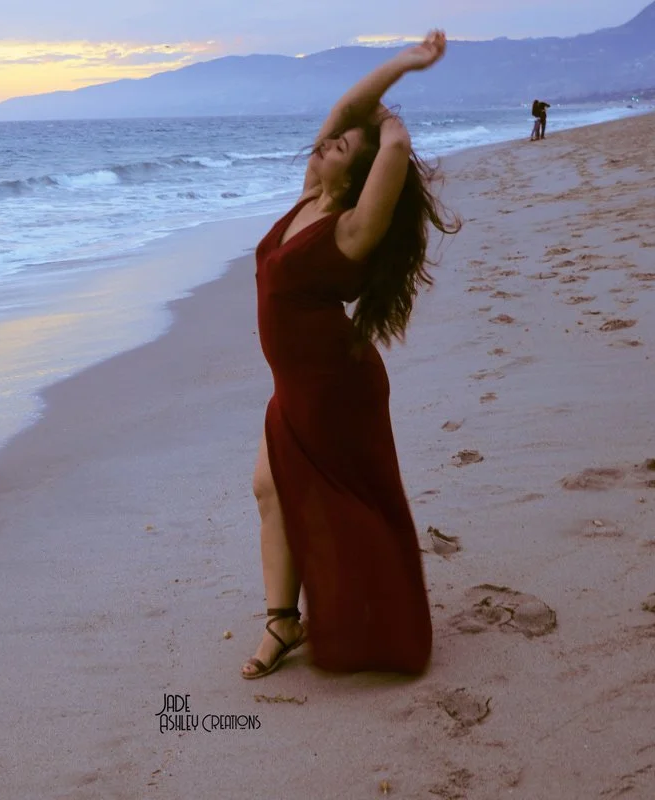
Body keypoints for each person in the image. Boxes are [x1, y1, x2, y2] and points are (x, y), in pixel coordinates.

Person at [243, 29, 460, 679]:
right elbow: (345, 112)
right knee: (269, 488)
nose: (330, 141)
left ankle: (360, 623)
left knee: (346, 501)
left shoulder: (354, 227)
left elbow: (392, 150)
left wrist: (389, 126)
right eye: (332, 141)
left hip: (334, 386)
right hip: (300, 381)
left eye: (344, 147)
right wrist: (402, 65)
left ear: (361, 174)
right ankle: (284, 621)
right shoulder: (314, 191)